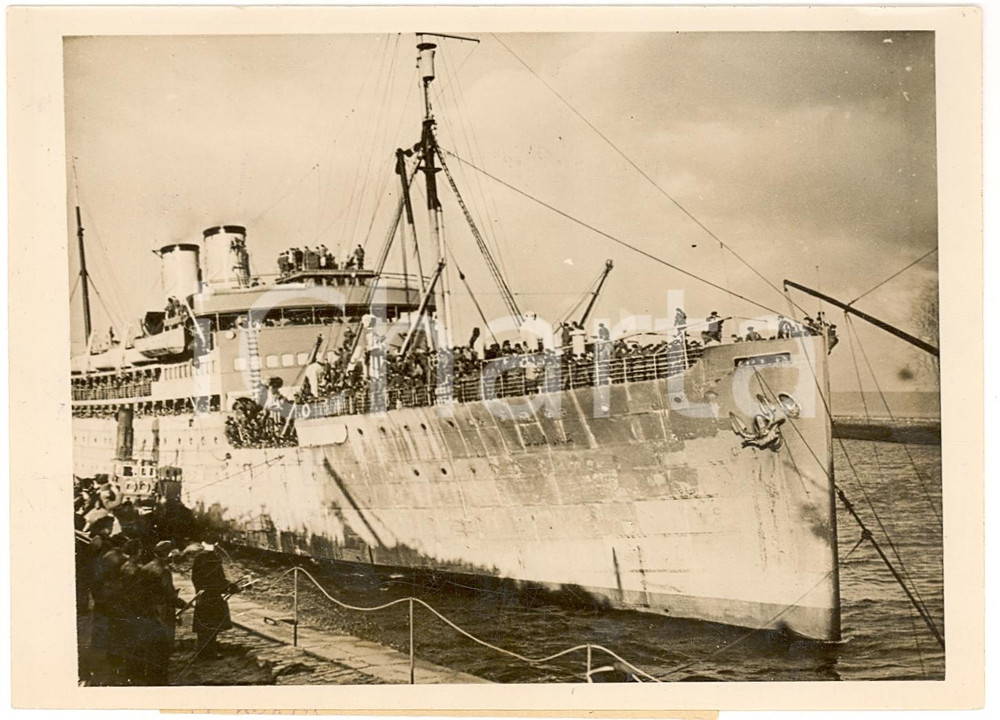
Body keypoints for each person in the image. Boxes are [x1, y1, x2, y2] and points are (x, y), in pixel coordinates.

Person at [134, 540, 184, 685]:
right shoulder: (164, 571)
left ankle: (149, 673)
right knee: (164, 644)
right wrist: (180, 603)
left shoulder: (147, 567)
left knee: (151, 644)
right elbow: (169, 594)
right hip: (162, 611)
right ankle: (160, 679)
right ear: (168, 555)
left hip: (148, 609)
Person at [191, 540, 240, 657]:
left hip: (203, 595)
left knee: (205, 624)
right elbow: (219, 578)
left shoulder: (199, 558)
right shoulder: (214, 558)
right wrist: (228, 586)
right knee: (213, 624)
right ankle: (208, 652)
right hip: (213, 595)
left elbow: (196, 578)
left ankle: (203, 649)